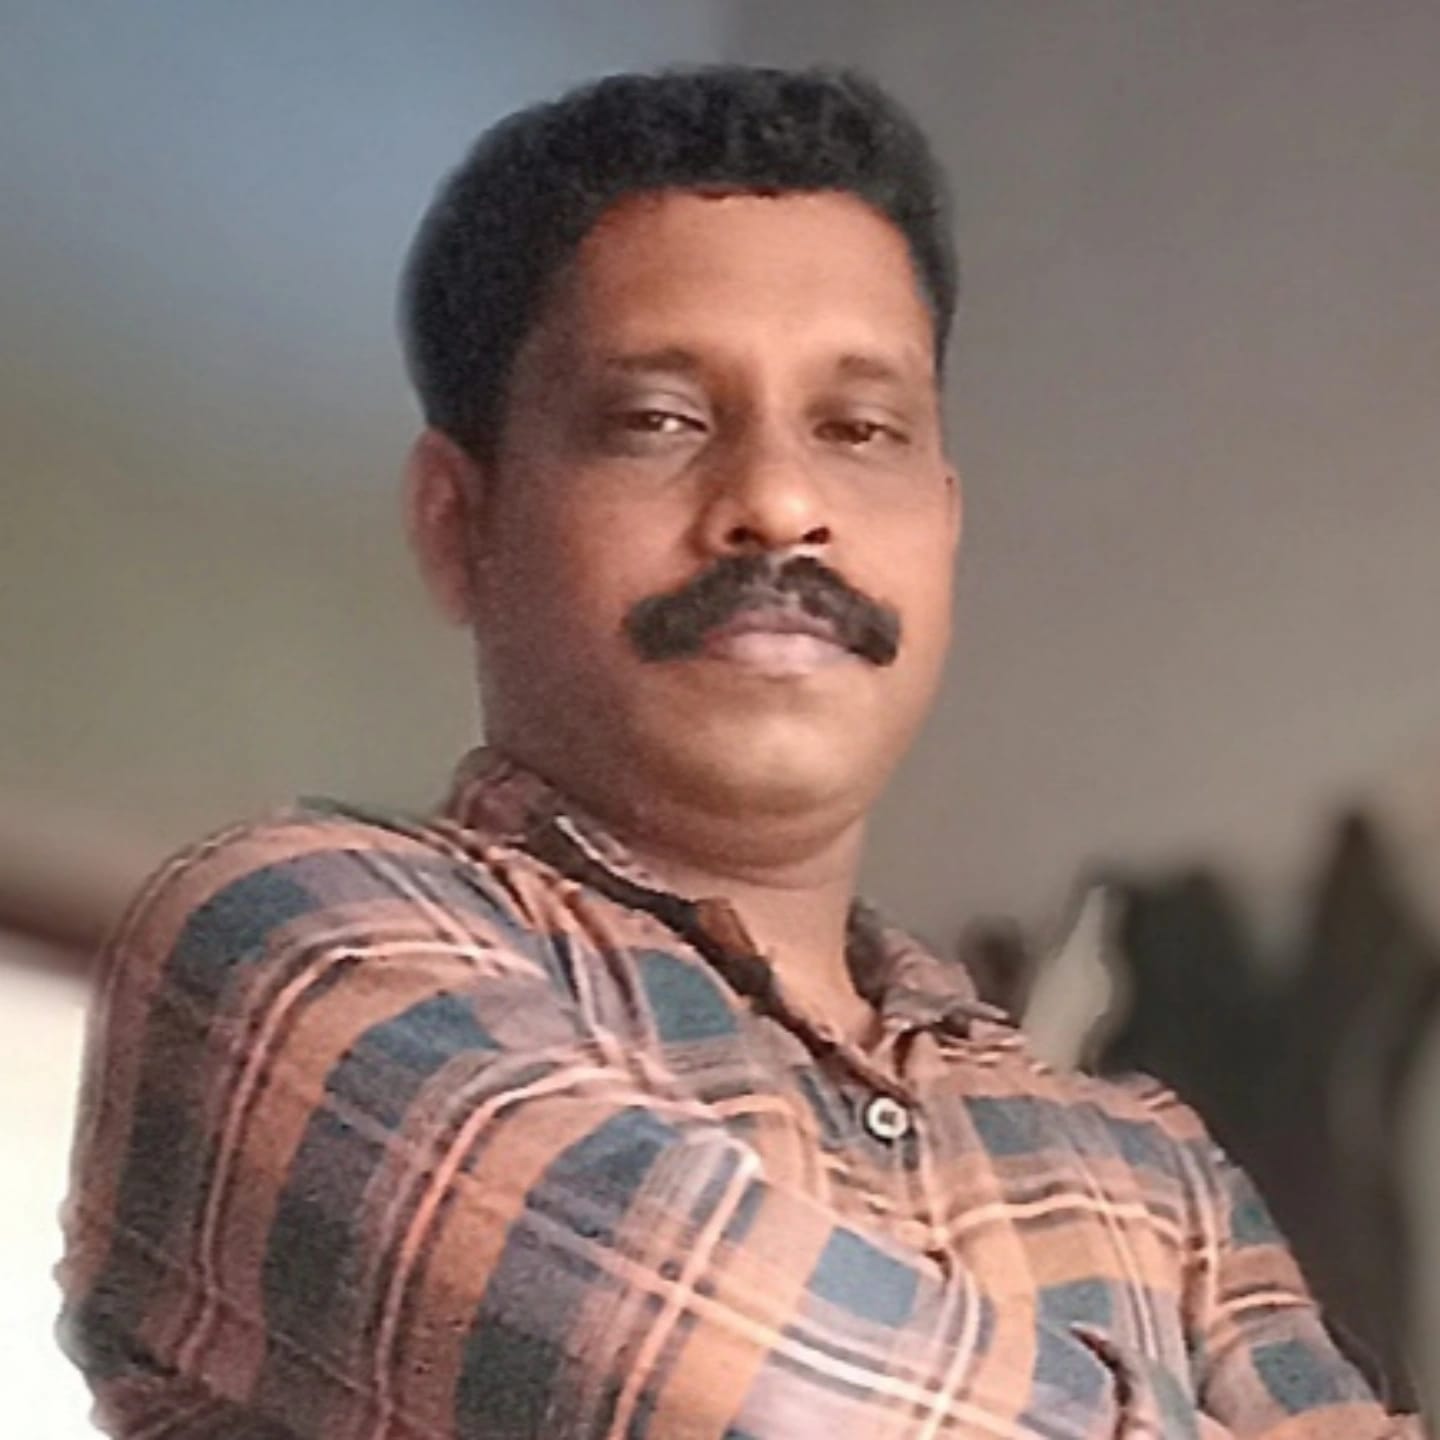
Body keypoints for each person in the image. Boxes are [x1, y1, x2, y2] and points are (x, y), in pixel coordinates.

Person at [57, 65, 1424, 1438]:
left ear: (944, 525)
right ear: (458, 524)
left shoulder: (1156, 1175)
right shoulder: (293, 953)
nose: (777, 501)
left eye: (860, 430)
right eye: (659, 421)